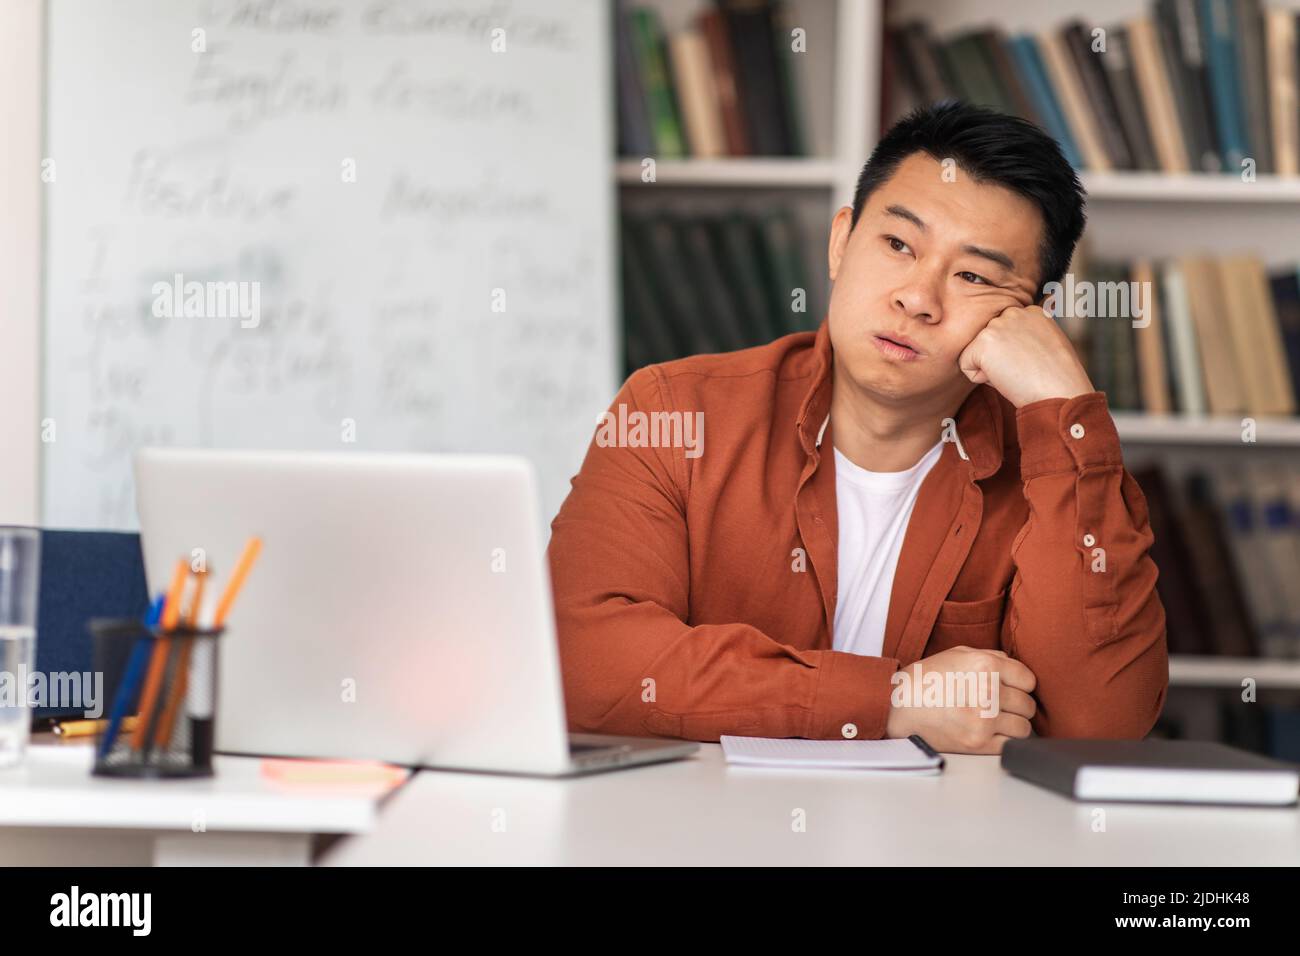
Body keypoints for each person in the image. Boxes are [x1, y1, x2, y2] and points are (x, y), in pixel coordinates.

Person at [547, 101, 1167, 754]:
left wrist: (1065, 408)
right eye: (898, 245)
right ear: (841, 241)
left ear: (1032, 316)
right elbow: (585, 666)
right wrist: (890, 701)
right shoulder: (671, 412)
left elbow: (1101, 727)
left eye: (973, 275)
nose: (918, 298)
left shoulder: (1055, 466)